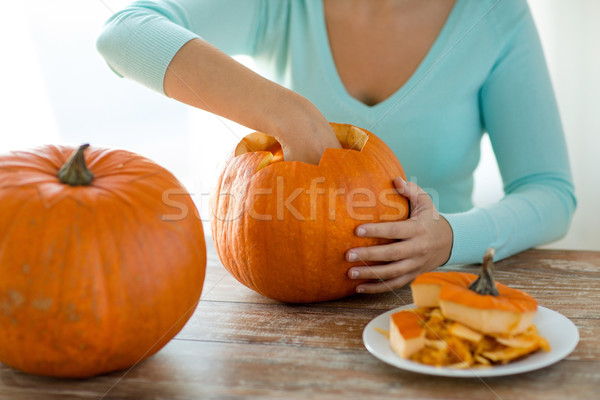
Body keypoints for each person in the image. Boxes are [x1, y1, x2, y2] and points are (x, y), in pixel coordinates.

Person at [97, 0, 576, 294]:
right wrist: (291, 116)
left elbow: (550, 193)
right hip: (284, 313)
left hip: (434, 293)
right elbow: (123, 32)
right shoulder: (282, 4)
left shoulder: (494, 14)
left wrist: (448, 238)